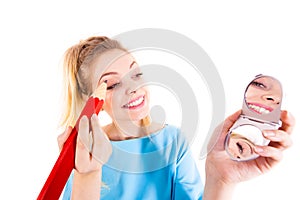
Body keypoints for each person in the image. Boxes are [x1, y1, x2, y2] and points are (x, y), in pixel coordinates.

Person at [57, 36, 295, 200]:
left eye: (136, 73)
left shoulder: (171, 142)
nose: (133, 88)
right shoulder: (82, 158)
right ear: (91, 101)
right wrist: (87, 174)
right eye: (112, 84)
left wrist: (221, 180)